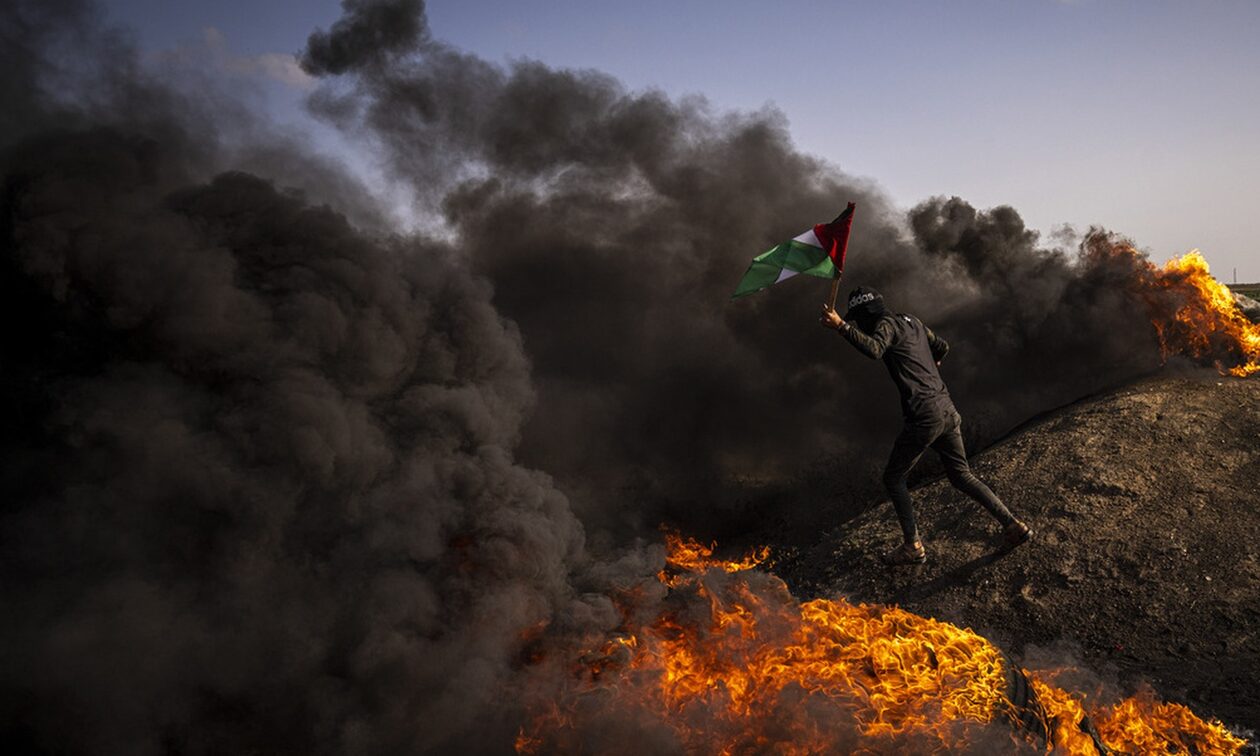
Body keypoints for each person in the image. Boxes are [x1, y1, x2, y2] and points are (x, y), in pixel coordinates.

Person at [819, 286, 1032, 566]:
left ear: (865, 315)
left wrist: (841, 327)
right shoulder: (912, 321)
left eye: (859, 320)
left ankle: (912, 547)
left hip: (924, 416)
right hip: (947, 410)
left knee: (893, 479)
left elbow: (874, 350)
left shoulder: (885, 326)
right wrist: (928, 365)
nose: (862, 326)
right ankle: (1013, 525)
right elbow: (942, 346)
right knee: (961, 475)